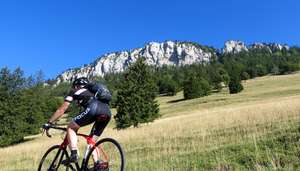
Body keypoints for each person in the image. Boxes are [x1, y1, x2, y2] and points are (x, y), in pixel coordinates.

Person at [42, 77, 112, 164]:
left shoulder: (75, 91)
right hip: (107, 111)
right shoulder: (92, 91)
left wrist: (49, 123)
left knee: (71, 128)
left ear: (76, 86)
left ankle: (74, 154)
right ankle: (97, 164)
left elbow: (62, 109)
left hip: (94, 108)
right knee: (92, 141)